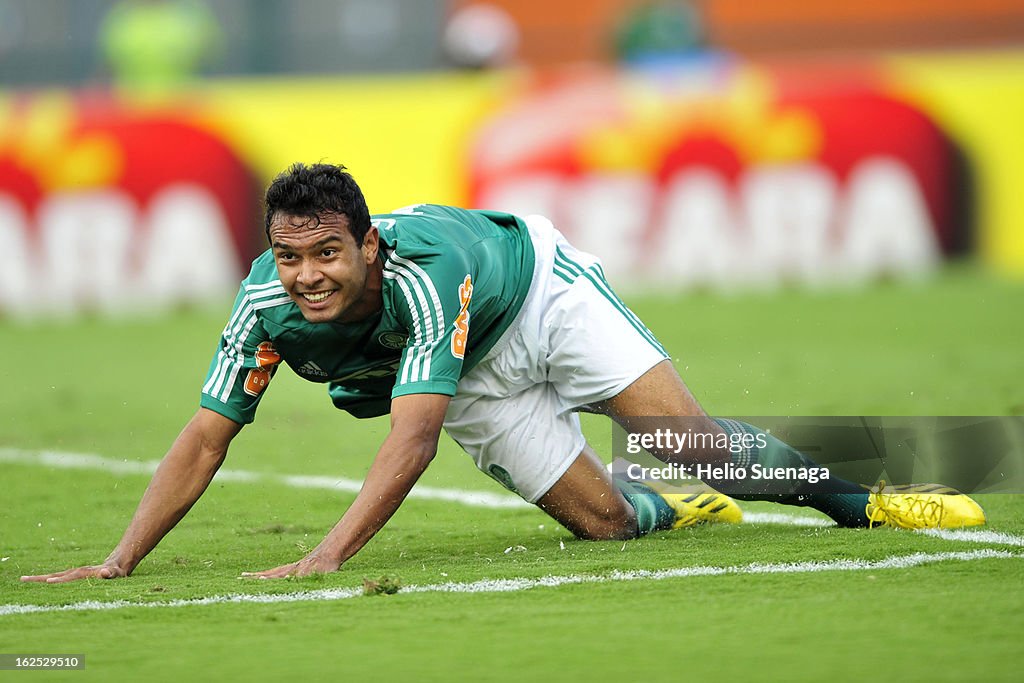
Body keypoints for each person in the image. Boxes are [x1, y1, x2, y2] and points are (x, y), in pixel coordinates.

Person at [21, 163, 985, 584]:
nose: (307, 275)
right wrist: (118, 560)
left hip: (535, 298)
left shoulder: (425, 270)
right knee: (605, 523)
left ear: (369, 243)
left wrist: (326, 557)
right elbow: (204, 435)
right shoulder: (264, 307)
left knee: (688, 441)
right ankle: (665, 507)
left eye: (327, 253)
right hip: (467, 373)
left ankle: (870, 501)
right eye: (288, 255)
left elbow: (413, 434)